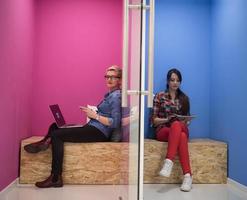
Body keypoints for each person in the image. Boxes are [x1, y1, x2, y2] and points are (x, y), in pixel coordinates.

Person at [24, 65, 122, 188]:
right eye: (107, 76)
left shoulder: (116, 96)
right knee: (55, 126)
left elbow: (115, 122)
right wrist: (93, 114)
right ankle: (43, 142)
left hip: (99, 132)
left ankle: (55, 178)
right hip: (93, 127)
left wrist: (95, 116)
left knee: (56, 135)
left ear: (120, 80)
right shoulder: (110, 95)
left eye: (113, 77)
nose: (109, 79)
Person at [151, 68, 193, 192]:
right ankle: (188, 176)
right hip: (163, 130)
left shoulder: (184, 98)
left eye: (178, 80)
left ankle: (168, 161)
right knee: (181, 136)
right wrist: (167, 119)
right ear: (168, 81)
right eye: (172, 80)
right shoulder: (160, 96)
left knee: (177, 124)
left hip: (180, 127)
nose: (175, 83)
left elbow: (186, 121)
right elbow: (154, 120)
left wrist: (186, 121)